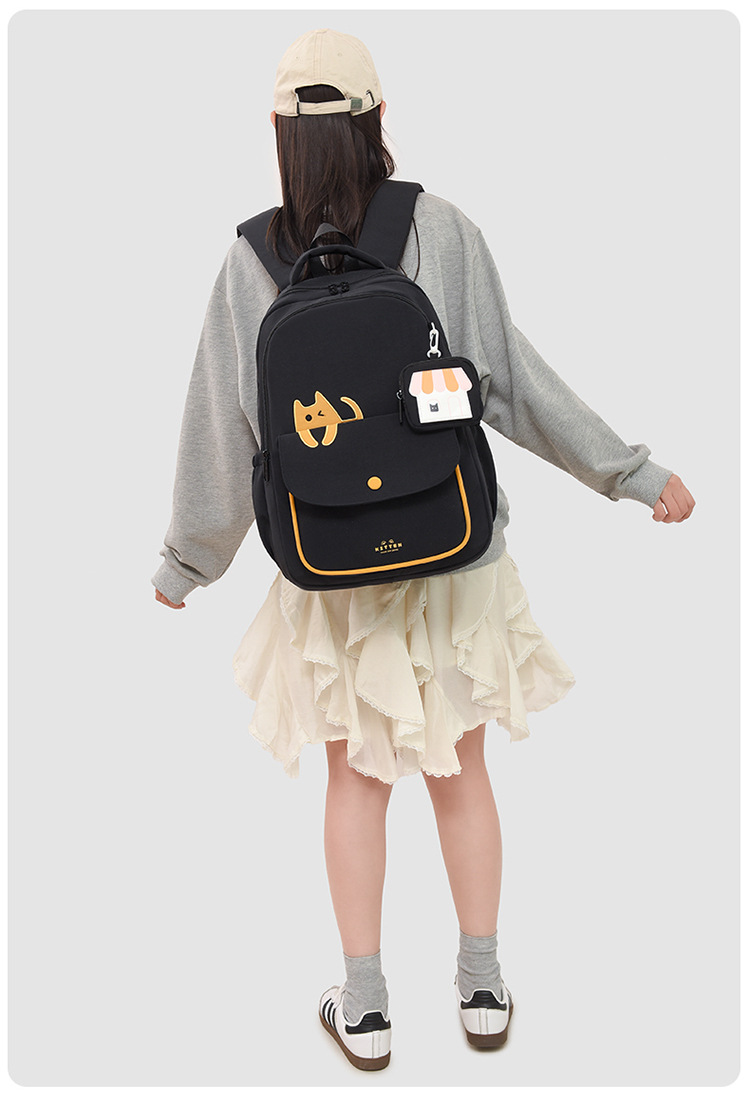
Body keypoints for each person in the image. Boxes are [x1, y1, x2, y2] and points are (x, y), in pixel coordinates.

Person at [151, 28, 695, 1072]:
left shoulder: (249, 260)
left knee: (357, 779)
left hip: (333, 568)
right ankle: (482, 986)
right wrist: (628, 473)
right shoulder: (438, 228)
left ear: (278, 131)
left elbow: (226, 424)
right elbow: (510, 385)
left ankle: (364, 1008)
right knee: (461, 769)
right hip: (452, 553)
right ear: (378, 118)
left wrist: (188, 559)